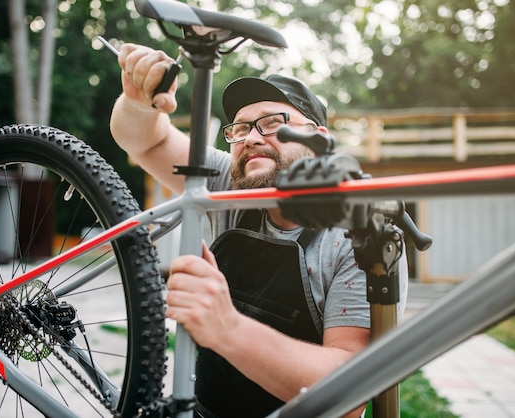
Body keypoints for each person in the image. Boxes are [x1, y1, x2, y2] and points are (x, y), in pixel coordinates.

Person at [110, 44, 408, 418]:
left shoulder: (359, 235)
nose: (250, 138)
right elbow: (144, 139)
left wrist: (226, 327)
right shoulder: (230, 187)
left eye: (272, 122)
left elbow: (348, 393)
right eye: (240, 128)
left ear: (318, 139)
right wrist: (137, 102)